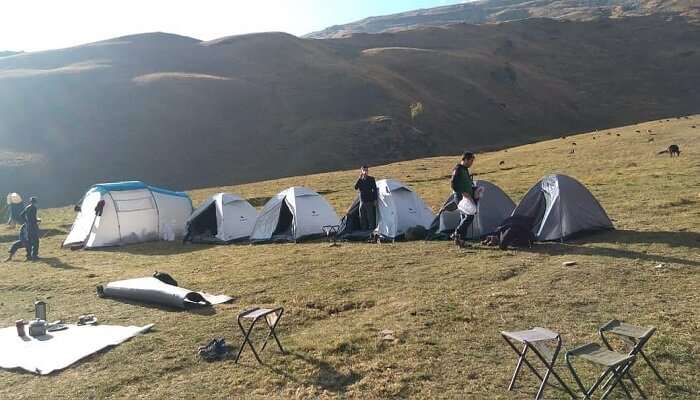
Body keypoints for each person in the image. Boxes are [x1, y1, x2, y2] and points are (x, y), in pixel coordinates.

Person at [451, 151, 478, 248]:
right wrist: (463, 193)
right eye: (470, 161)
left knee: (464, 217)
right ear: (465, 159)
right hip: (461, 197)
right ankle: (456, 233)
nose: (471, 163)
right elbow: (453, 184)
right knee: (469, 216)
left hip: (467, 196)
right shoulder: (458, 169)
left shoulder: (465, 169)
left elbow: (466, 183)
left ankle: (461, 241)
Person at [354, 165, 378, 231]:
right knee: (362, 216)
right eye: (364, 170)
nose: (365, 172)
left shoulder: (371, 179)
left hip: (369, 201)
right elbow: (355, 187)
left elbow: (375, 190)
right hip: (362, 201)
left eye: (366, 170)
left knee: (370, 217)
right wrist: (359, 178)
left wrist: (375, 199)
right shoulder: (360, 180)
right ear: (361, 171)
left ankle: (371, 230)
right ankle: (363, 230)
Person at [20, 197, 40, 261]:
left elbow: (21, 215)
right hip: (33, 227)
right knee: (36, 241)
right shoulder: (34, 208)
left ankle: (28, 256)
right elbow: (33, 218)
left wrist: (26, 221)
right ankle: (34, 255)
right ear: (35, 202)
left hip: (28, 227)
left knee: (29, 241)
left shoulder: (27, 207)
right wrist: (38, 220)